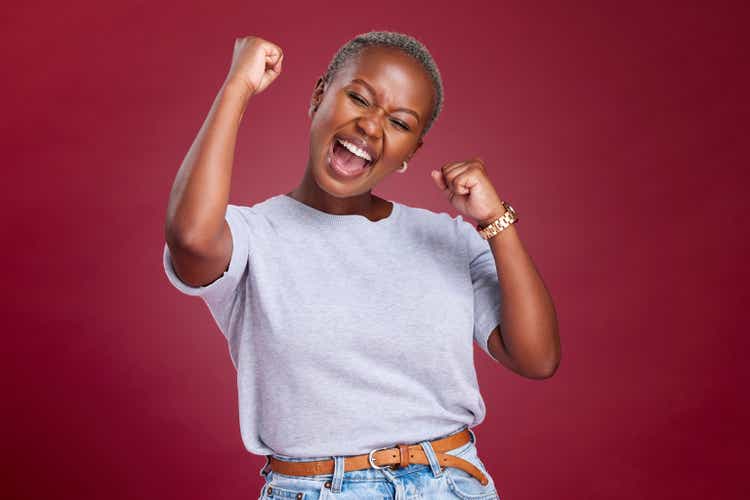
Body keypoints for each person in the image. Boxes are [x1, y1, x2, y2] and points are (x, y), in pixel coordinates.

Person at [162, 30, 560, 500]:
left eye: (400, 123)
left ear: (411, 153)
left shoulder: (447, 239)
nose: (372, 127)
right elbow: (188, 237)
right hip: (317, 488)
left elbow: (537, 358)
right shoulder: (251, 238)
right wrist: (238, 87)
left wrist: (496, 222)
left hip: (452, 482)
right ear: (318, 96)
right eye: (358, 98)